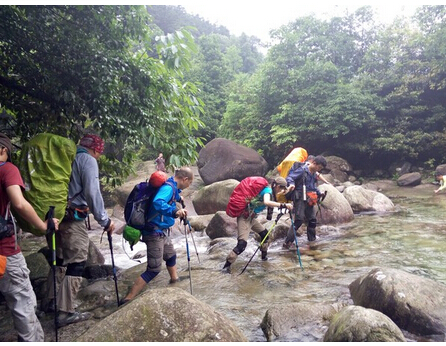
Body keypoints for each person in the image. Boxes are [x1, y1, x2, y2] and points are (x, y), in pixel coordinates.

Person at [45, 134, 115, 327]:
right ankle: (64, 312)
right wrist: (104, 220)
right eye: (99, 153)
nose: (99, 156)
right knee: (76, 261)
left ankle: (50, 301)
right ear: (96, 150)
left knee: (58, 258)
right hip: (71, 218)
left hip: (53, 216)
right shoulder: (87, 160)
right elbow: (92, 192)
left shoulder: (64, 157)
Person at [0, 133, 59, 341]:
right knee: (23, 302)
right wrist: (43, 225)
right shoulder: (7, 169)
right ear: (4, 150)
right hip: (4, 252)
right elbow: (19, 203)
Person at [120, 167, 193, 304]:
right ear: (185, 179)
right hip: (154, 232)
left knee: (171, 256)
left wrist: (179, 197)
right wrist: (174, 212)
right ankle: (128, 298)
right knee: (154, 269)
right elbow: (158, 202)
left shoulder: (172, 186)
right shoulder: (168, 188)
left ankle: (174, 280)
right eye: (189, 183)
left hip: (162, 231)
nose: (189, 186)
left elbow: (172, 195)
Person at [222, 177, 293, 272]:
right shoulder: (267, 191)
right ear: (277, 186)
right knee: (241, 245)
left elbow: (279, 194)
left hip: (251, 217)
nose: (282, 191)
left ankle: (264, 258)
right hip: (245, 218)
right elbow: (267, 202)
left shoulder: (269, 189)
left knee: (265, 235)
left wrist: (289, 189)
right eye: (282, 188)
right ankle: (225, 267)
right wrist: (283, 205)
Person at [283, 155, 327, 247]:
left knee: (312, 220)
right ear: (314, 163)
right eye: (319, 167)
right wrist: (291, 184)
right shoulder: (302, 170)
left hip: (310, 198)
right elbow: (290, 177)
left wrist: (319, 193)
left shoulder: (314, 174)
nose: (319, 170)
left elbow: (313, 187)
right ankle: (287, 242)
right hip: (299, 198)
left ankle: (312, 241)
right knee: (299, 220)